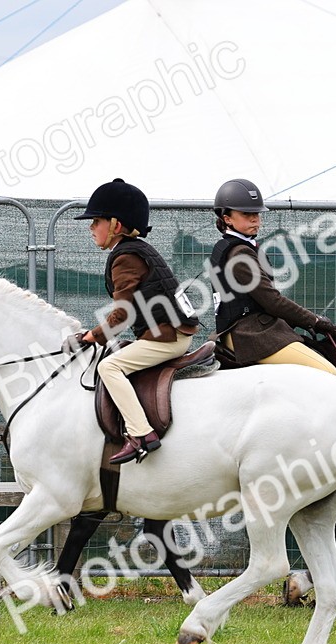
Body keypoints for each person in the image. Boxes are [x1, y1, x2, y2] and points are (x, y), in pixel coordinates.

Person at [70, 179, 200, 464]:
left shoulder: (125, 257)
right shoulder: (136, 249)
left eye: (96, 221)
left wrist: (91, 336)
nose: (91, 227)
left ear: (116, 225)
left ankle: (141, 434)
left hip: (167, 337)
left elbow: (122, 315)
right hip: (168, 332)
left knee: (109, 366)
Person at [209, 178, 336, 376]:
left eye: (256, 214)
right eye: (246, 214)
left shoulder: (235, 247)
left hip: (250, 329)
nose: (255, 219)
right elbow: (271, 301)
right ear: (227, 218)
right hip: (250, 334)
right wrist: (313, 320)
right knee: (328, 372)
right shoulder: (240, 254)